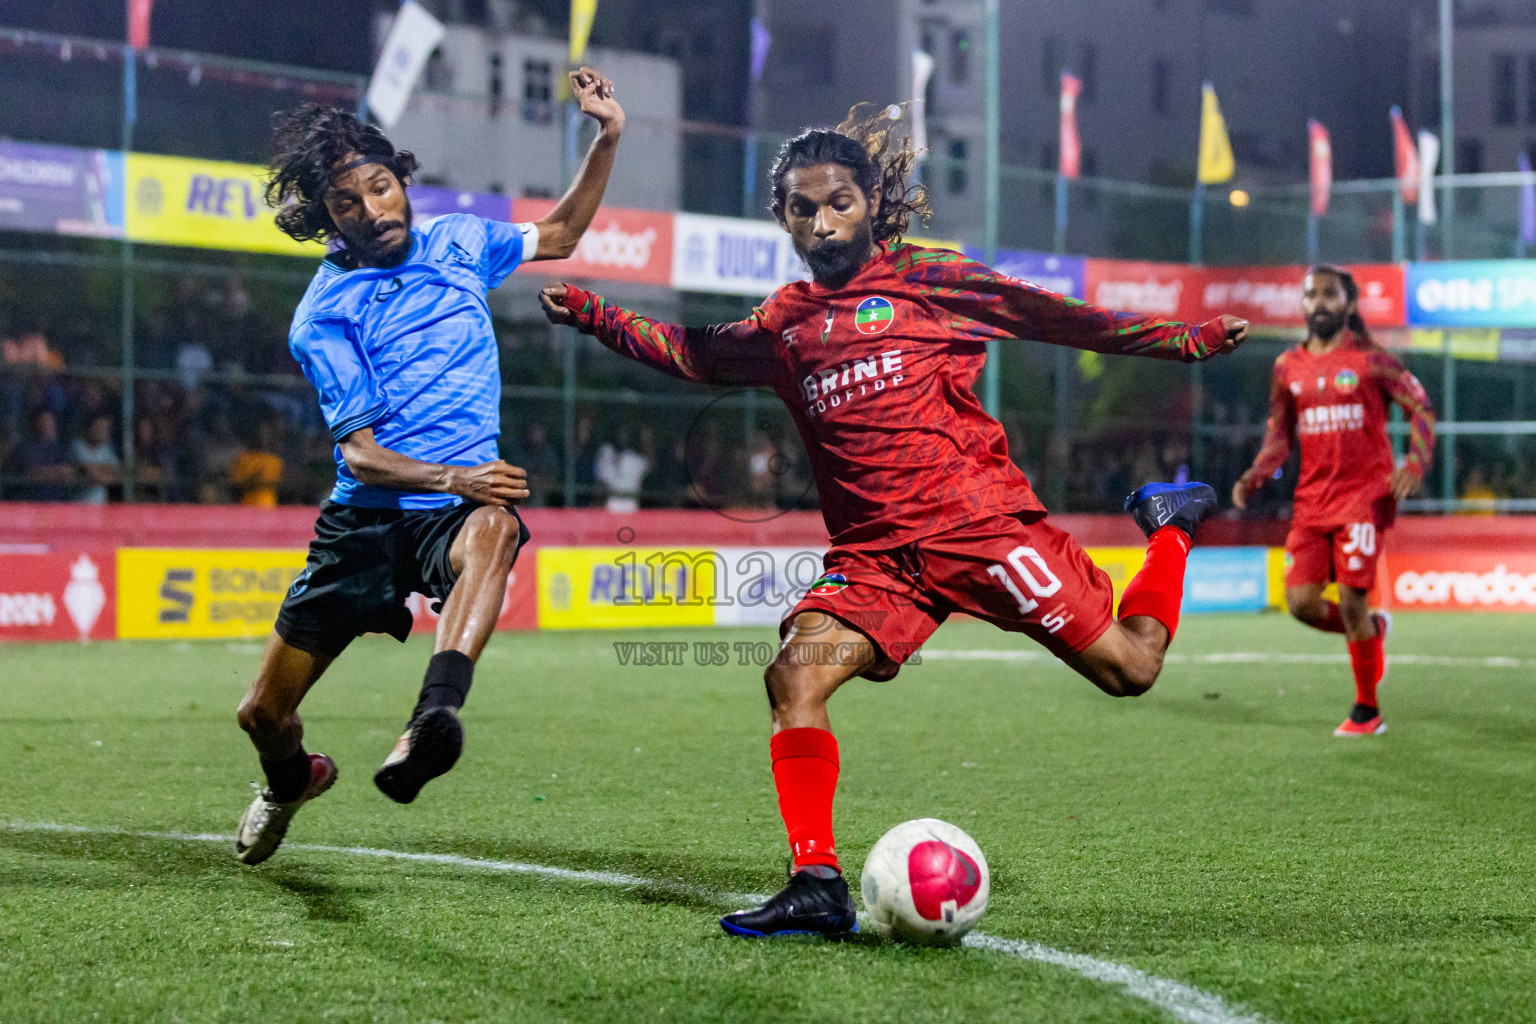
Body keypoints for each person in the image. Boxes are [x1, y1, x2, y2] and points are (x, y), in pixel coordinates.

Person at [540, 112, 1249, 937]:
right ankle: (816, 880)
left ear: (871, 199)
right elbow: (691, 351)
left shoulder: (931, 280)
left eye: (838, 201)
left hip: (978, 529)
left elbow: (1054, 318)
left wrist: (1185, 342)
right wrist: (594, 314)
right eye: (803, 210)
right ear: (784, 219)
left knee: (1132, 668)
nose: (822, 222)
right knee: (794, 679)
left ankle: (1169, 524)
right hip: (875, 561)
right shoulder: (785, 324)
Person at [231, 67, 625, 866]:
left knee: (495, 530)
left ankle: (434, 716)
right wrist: (455, 477)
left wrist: (607, 135)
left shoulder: (460, 241)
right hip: (369, 518)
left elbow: (559, 234)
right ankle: (288, 782)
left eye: (381, 186)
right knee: (262, 715)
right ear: (326, 217)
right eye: (349, 201)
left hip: (456, 509)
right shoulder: (323, 314)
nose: (374, 209)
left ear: (400, 179)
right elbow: (362, 454)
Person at [1233, 264, 1435, 738]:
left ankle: (1368, 710)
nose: (1319, 302)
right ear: (1302, 305)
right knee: (1301, 603)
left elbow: (1421, 407)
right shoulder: (1287, 367)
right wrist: (1257, 473)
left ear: (1348, 304)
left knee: (1349, 599)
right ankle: (1371, 632)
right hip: (1312, 502)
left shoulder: (1373, 360)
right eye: (1311, 295)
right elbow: (1279, 434)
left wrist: (1413, 465)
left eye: (1329, 294)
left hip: (1365, 498)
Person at [229, 418, 286, 507]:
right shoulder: (244, 459)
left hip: (269, 507)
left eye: (266, 433)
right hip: (247, 507)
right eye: (260, 432)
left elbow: (283, 486)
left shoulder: (275, 461)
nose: (263, 436)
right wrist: (252, 479)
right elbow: (235, 485)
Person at [70, 412, 122, 504]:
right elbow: (88, 472)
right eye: (99, 428)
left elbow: (116, 471)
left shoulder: (107, 449)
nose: (103, 432)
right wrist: (103, 470)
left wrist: (100, 472)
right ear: (89, 428)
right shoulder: (77, 446)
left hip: (100, 507)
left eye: (106, 429)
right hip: (78, 505)